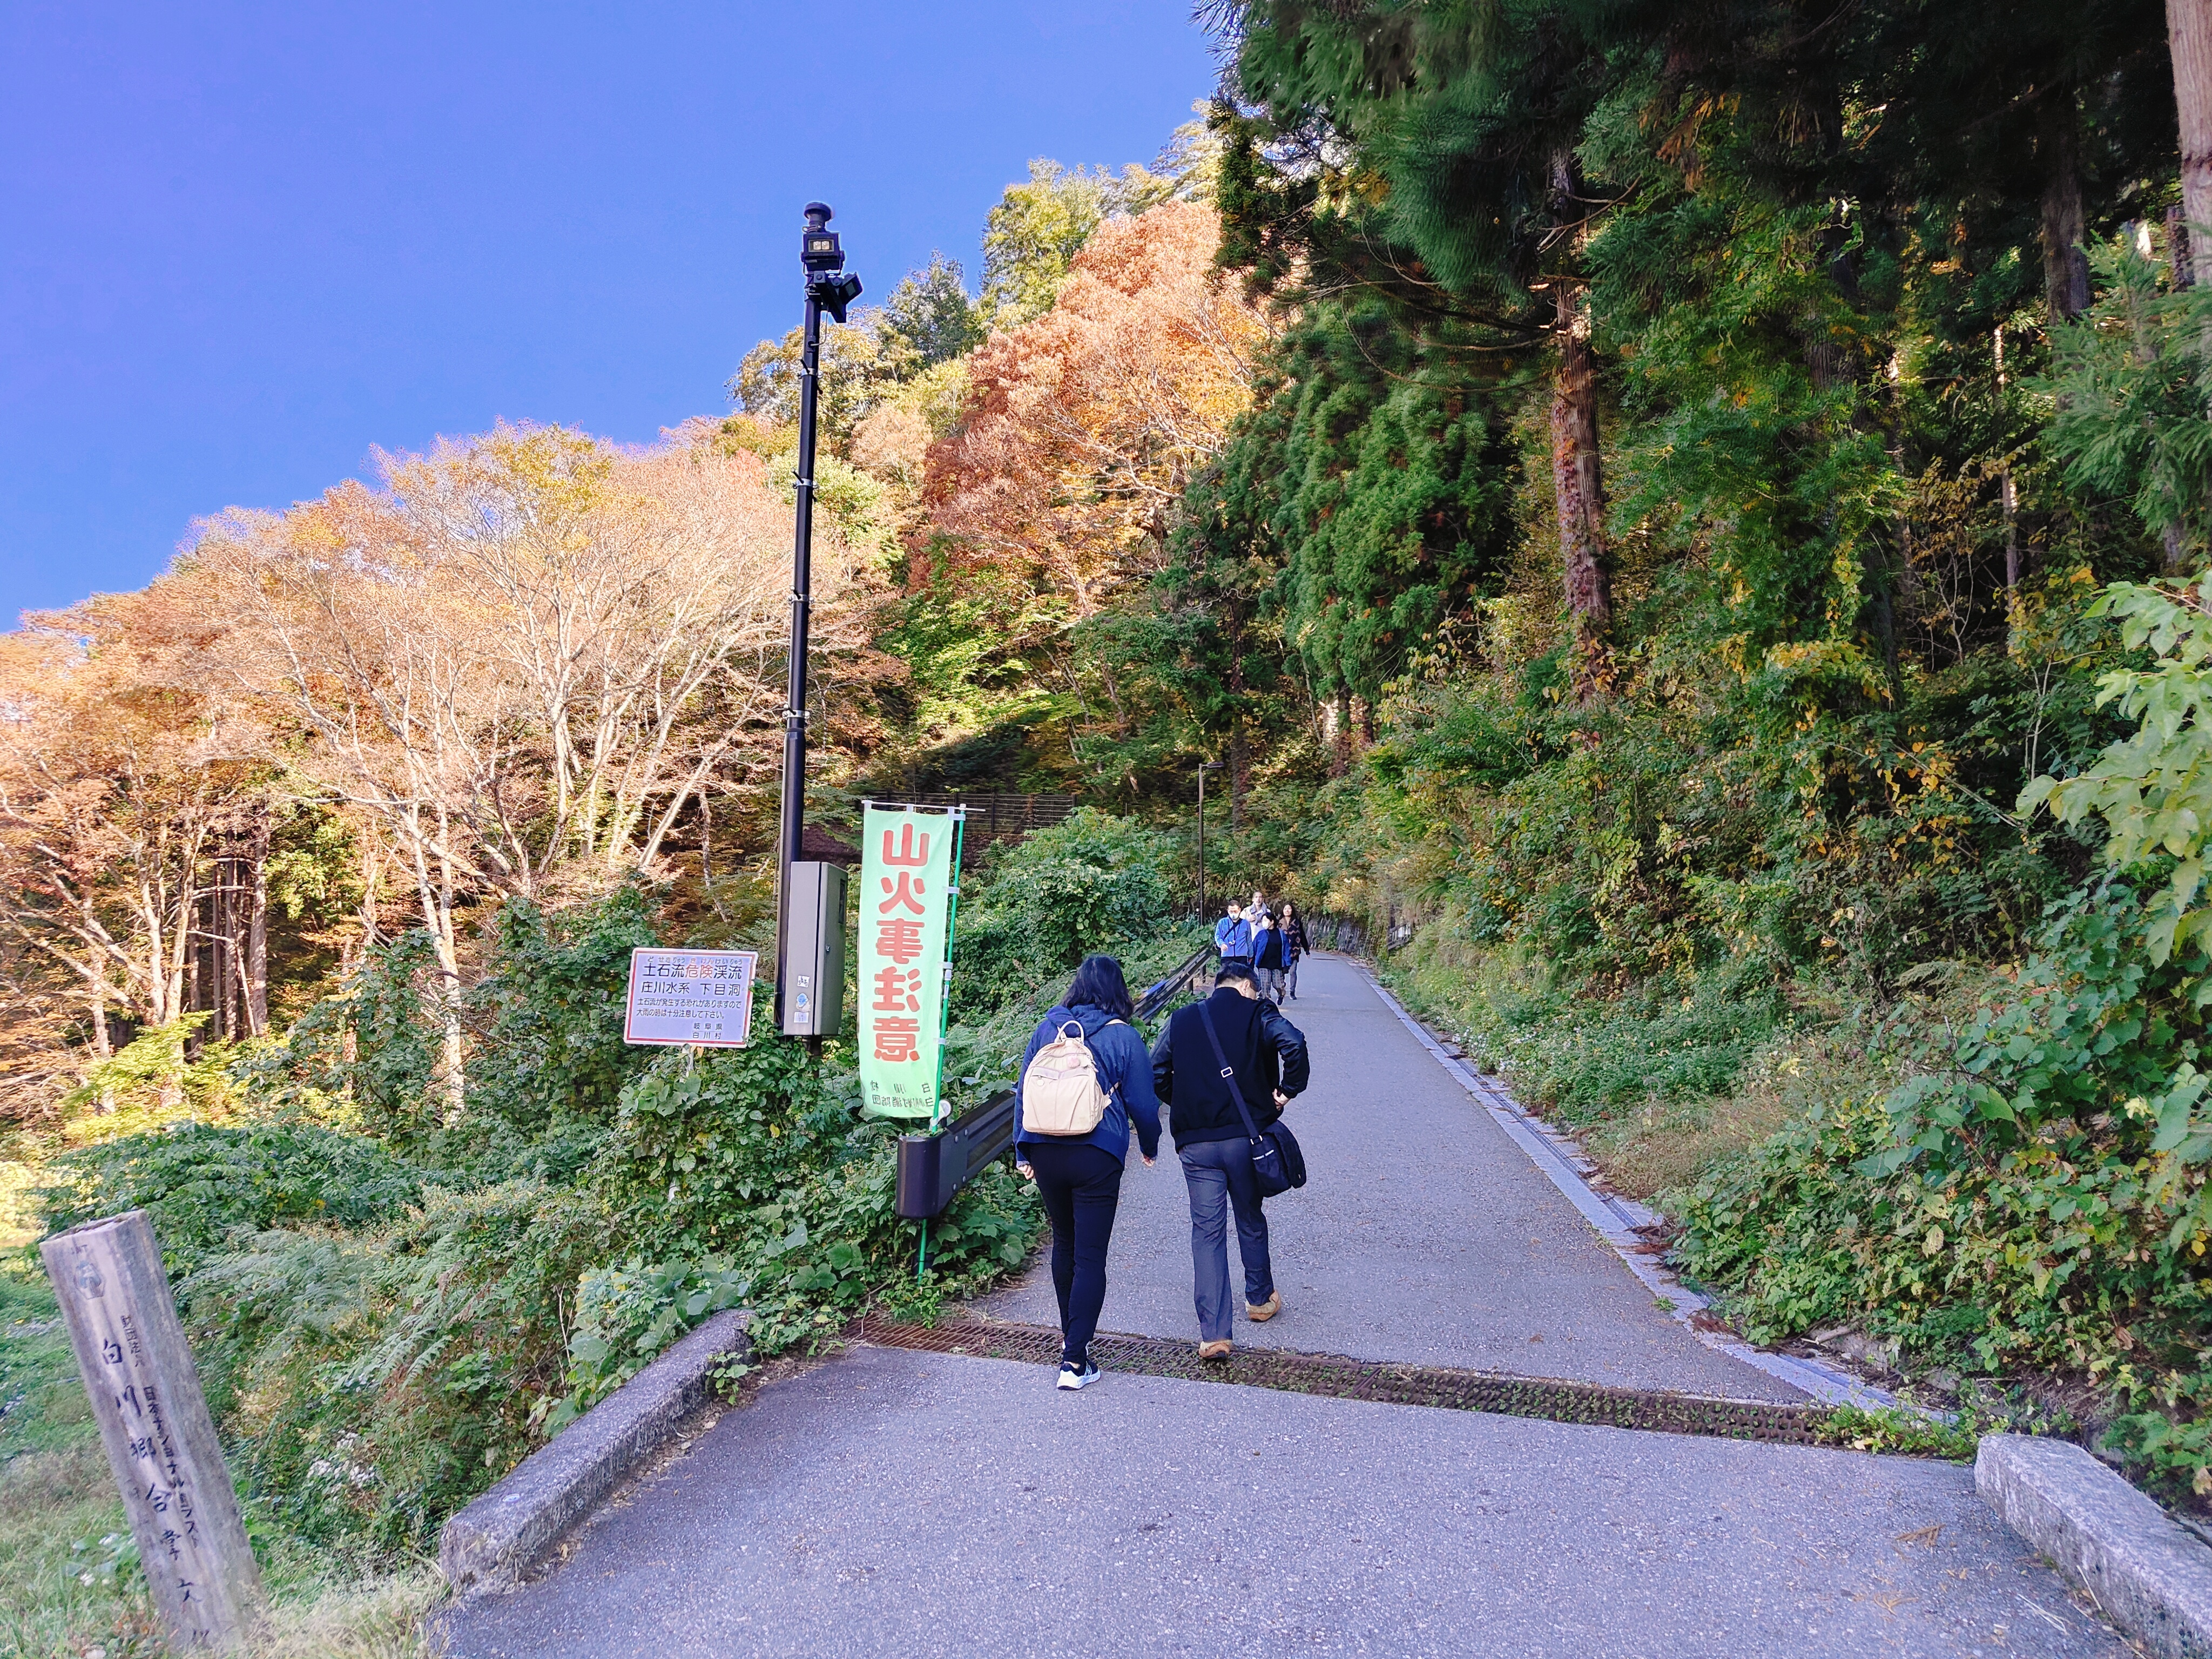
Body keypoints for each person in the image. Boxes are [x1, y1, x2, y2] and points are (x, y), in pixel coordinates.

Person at [1014, 955, 1163, 1391]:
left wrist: (1023, 1150)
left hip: (1045, 1150)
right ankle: (1075, 1362)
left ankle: (1070, 1340)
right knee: (1090, 1255)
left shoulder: (1048, 1028)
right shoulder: (1123, 1037)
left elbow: (1023, 1088)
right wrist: (1149, 1148)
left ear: (1076, 987)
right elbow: (1144, 1106)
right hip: (1096, 1153)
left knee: (1065, 1242)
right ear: (1118, 991)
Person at [1151, 960, 1310, 1359]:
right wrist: (1287, 1090)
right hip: (1246, 1139)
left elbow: (1156, 1070)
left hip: (1197, 1145)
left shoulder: (1182, 1019)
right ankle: (1258, 1300)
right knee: (1249, 1215)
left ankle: (1215, 1335)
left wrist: (1183, 1103)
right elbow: (1294, 1044)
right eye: (1256, 992)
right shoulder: (1258, 1012)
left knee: (1206, 1232)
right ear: (1247, 988)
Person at [1252, 909, 1286, 1003]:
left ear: (1272, 921)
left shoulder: (1281, 934)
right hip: (1263, 963)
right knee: (1265, 984)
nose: (1264, 923)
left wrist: (1287, 963)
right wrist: (1251, 958)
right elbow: (1254, 947)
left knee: (1278, 984)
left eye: (1266, 921)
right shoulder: (1261, 934)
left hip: (1277, 964)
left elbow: (1286, 949)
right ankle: (1266, 1002)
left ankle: (1281, 993)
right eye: (1263, 921)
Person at [1279, 901, 1310, 1001]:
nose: (1287, 911)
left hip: (1294, 951)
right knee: (1281, 973)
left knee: (1293, 972)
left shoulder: (1297, 922)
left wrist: (1307, 950)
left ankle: (1292, 992)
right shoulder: (1279, 922)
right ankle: (1282, 990)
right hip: (1282, 951)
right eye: (1285, 909)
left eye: (1289, 909)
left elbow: (1303, 936)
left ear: (1292, 910)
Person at [1213, 899, 1253, 969]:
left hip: (1242, 956)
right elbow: (1218, 936)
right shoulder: (1222, 922)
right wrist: (1221, 944)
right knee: (1227, 978)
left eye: (1235, 911)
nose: (1233, 914)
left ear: (1240, 910)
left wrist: (1251, 955)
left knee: (1241, 977)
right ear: (1228, 911)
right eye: (1231, 911)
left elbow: (1249, 940)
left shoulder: (1246, 923)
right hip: (1227, 956)